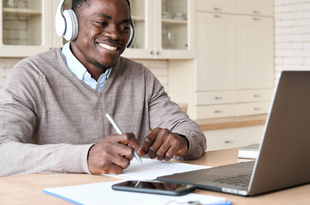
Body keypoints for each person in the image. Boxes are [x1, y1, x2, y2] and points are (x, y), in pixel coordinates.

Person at [0, 0, 206, 176]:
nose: (115, 35)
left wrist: (181, 141)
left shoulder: (140, 76)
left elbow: (192, 132)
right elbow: (3, 152)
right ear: (69, 25)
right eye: (101, 22)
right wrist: (85, 157)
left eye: (124, 27)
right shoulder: (31, 74)